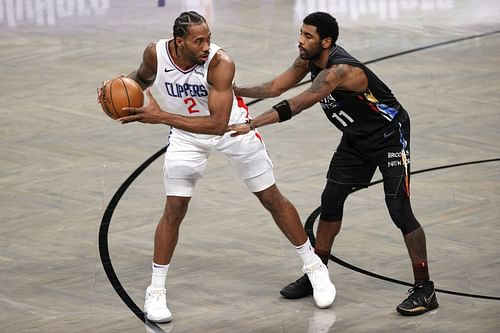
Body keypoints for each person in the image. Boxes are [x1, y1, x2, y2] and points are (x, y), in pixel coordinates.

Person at [97, 11, 335, 323]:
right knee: (175, 208)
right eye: (199, 41)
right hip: (185, 135)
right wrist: (118, 87)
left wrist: (160, 116)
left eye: (208, 38)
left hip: (231, 130)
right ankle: (155, 290)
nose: (207, 46)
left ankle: (315, 267)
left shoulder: (221, 63)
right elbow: (140, 79)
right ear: (179, 42)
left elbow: (217, 124)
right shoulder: (154, 53)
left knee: (271, 198)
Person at [228, 11, 439, 316]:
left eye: (308, 36)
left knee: (399, 209)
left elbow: (298, 103)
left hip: (389, 137)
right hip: (356, 139)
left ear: (326, 42)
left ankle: (425, 288)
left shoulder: (339, 71)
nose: (300, 40)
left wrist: (252, 123)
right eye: (301, 33)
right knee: (330, 201)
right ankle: (318, 272)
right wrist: (233, 90)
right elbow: (274, 88)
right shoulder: (308, 61)